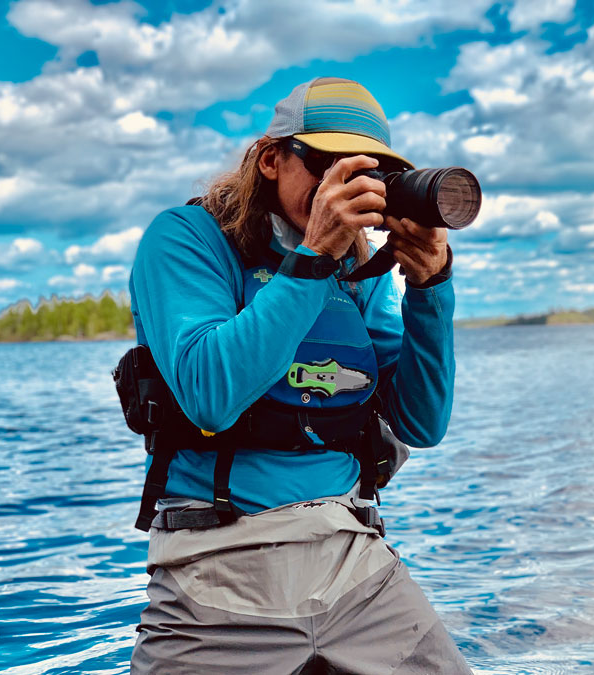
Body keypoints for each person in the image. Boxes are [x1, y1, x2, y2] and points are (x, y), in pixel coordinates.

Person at [126, 77, 470, 674]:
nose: (346, 184)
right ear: (270, 159)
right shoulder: (185, 241)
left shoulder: (356, 272)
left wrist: (431, 289)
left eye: (368, 171)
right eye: (328, 163)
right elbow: (211, 395)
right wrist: (312, 259)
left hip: (353, 561)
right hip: (218, 567)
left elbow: (421, 421)